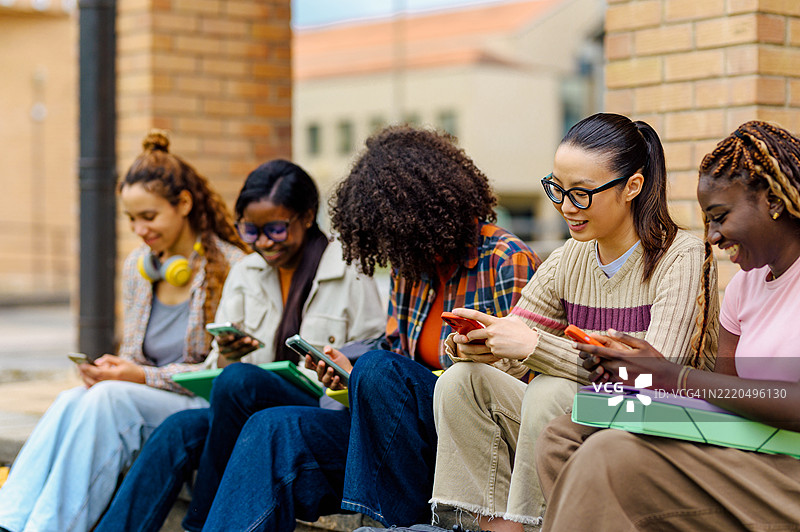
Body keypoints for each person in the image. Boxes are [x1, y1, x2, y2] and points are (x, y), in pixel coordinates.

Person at [198, 125, 541, 531]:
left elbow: (522, 385)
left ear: (427, 214)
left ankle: (396, 524)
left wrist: (375, 369)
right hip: (397, 439)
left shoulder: (505, 259)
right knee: (273, 429)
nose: (391, 249)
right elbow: (396, 355)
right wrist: (348, 368)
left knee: (377, 369)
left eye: (396, 233)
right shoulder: (410, 266)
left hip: (465, 439)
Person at [426, 113, 718, 531]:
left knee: (551, 390)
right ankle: (484, 524)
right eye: (557, 189)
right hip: (581, 424)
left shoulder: (683, 258)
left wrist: (535, 347)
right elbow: (516, 355)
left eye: (581, 193)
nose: (565, 206)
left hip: (663, 426)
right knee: (461, 382)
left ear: (632, 186)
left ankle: (537, 523)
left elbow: (659, 380)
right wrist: (480, 346)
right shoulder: (568, 259)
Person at [94, 159, 385, 532]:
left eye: (276, 229)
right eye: (250, 230)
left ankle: (200, 524)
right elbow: (217, 372)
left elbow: (371, 359)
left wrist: (339, 372)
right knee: (178, 428)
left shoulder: (349, 269)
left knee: (240, 381)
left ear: (307, 216)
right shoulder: (246, 272)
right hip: (245, 411)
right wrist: (227, 355)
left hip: (317, 409)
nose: (263, 242)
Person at [536, 120, 800, 531]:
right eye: (707, 221)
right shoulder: (745, 287)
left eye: (720, 217)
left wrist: (674, 377)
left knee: (609, 455)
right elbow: (723, 395)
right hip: (748, 446)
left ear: (773, 202)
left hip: (788, 468)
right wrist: (641, 373)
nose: (712, 236)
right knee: (565, 435)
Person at [0, 130, 248, 532]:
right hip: (143, 400)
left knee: (109, 399)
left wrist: (138, 377)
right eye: (131, 219)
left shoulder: (234, 269)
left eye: (148, 216)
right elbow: (134, 357)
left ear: (184, 204)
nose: (139, 229)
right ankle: (8, 521)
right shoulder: (139, 267)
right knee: (71, 398)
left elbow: (219, 374)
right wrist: (112, 370)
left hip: (199, 407)